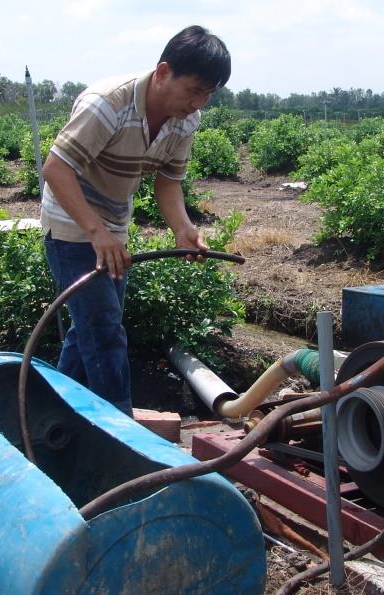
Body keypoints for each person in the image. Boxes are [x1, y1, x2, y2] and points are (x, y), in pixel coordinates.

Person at [40, 26, 230, 417]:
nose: (198, 104)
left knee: (88, 332)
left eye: (208, 94)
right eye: (194, 90)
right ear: (163, 72)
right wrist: (97, 234)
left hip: (111, 229)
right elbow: (56, 169)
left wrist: (182, 229)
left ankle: (50, 415)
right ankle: (123, 434)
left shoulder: (185, 121)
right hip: (72, 226)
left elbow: (169, 182)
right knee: (105, 331)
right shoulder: (108, 104)